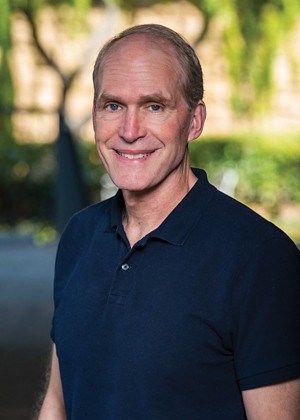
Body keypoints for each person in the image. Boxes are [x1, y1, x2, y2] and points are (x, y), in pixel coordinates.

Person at [38, 24, 300, 419]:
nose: (129, 131)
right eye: (113, 106)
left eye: (154, 106)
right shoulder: (80, 235)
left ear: (194, 121)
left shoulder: (260, 258)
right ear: (94, 115)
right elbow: (58, 401)